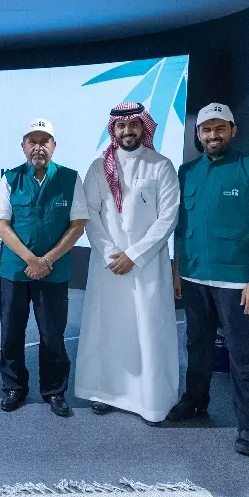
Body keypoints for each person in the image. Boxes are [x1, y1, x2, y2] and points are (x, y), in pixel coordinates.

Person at [168, 102, 249, 456]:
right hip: (194, 275)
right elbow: (181, 228)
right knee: (196, 344)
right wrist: (177, 271)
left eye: (220, 128)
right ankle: (195, 400)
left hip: (236, 281)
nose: (213, 135)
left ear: (233, 130)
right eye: (206, 130)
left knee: (242, 353)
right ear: (198, 134)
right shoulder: (186, 172)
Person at [75, 102, 180, 424]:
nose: (127, 131)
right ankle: (105, 392)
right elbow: (90, 214)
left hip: (147, 266)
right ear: (114, 130)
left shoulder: (161, 165)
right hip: (108, 266)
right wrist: (111, 253)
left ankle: (150, 401)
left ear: (143, 127)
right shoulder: (98, 167)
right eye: (121, 126)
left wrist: (134, 255)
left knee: (148, 330)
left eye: (133, 125)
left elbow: (169, 217)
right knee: (106, 328)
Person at [0, 118, 88, 417]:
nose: (38, 147)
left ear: (54, 146)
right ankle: (14, 387)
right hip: (14, 270)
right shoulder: (10, 178)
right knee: (11, 332)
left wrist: (46, 260)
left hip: (53, 270)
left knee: (52, 334)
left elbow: (77, 225)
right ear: (23, 146)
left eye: (44, 141)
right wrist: (30, 260)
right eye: (32, 141)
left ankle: (54, 390)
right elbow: (2, 225)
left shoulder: (70, 178)